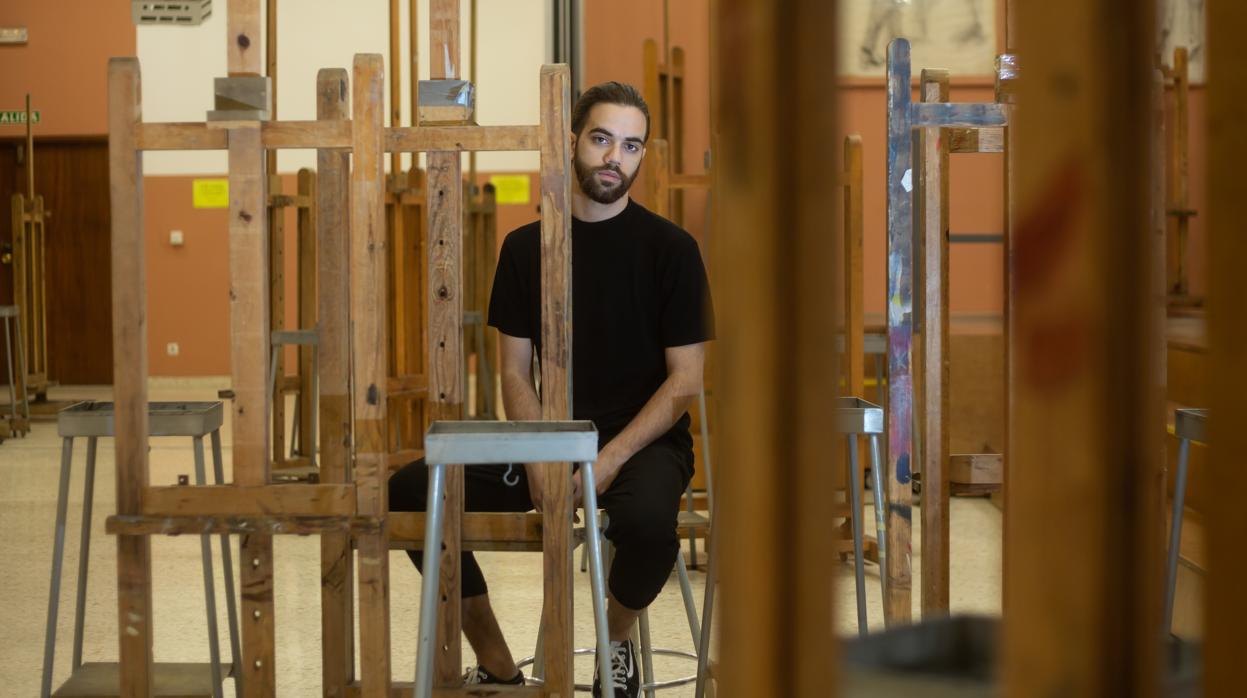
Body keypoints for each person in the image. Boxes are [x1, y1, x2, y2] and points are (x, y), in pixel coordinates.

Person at [389, 81, 713, 698]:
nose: (615, 158)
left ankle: (614, 643)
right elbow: (513, 370)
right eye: (601, 139)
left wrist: (610, 458)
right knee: (412, 492)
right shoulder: (524, 248)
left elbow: (685, 381)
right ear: (572, 143)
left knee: (647, 525)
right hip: (546, 436)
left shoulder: (671, 250)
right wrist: (540, 449)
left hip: (642, 444)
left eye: (630, 145)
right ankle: (499, 665)